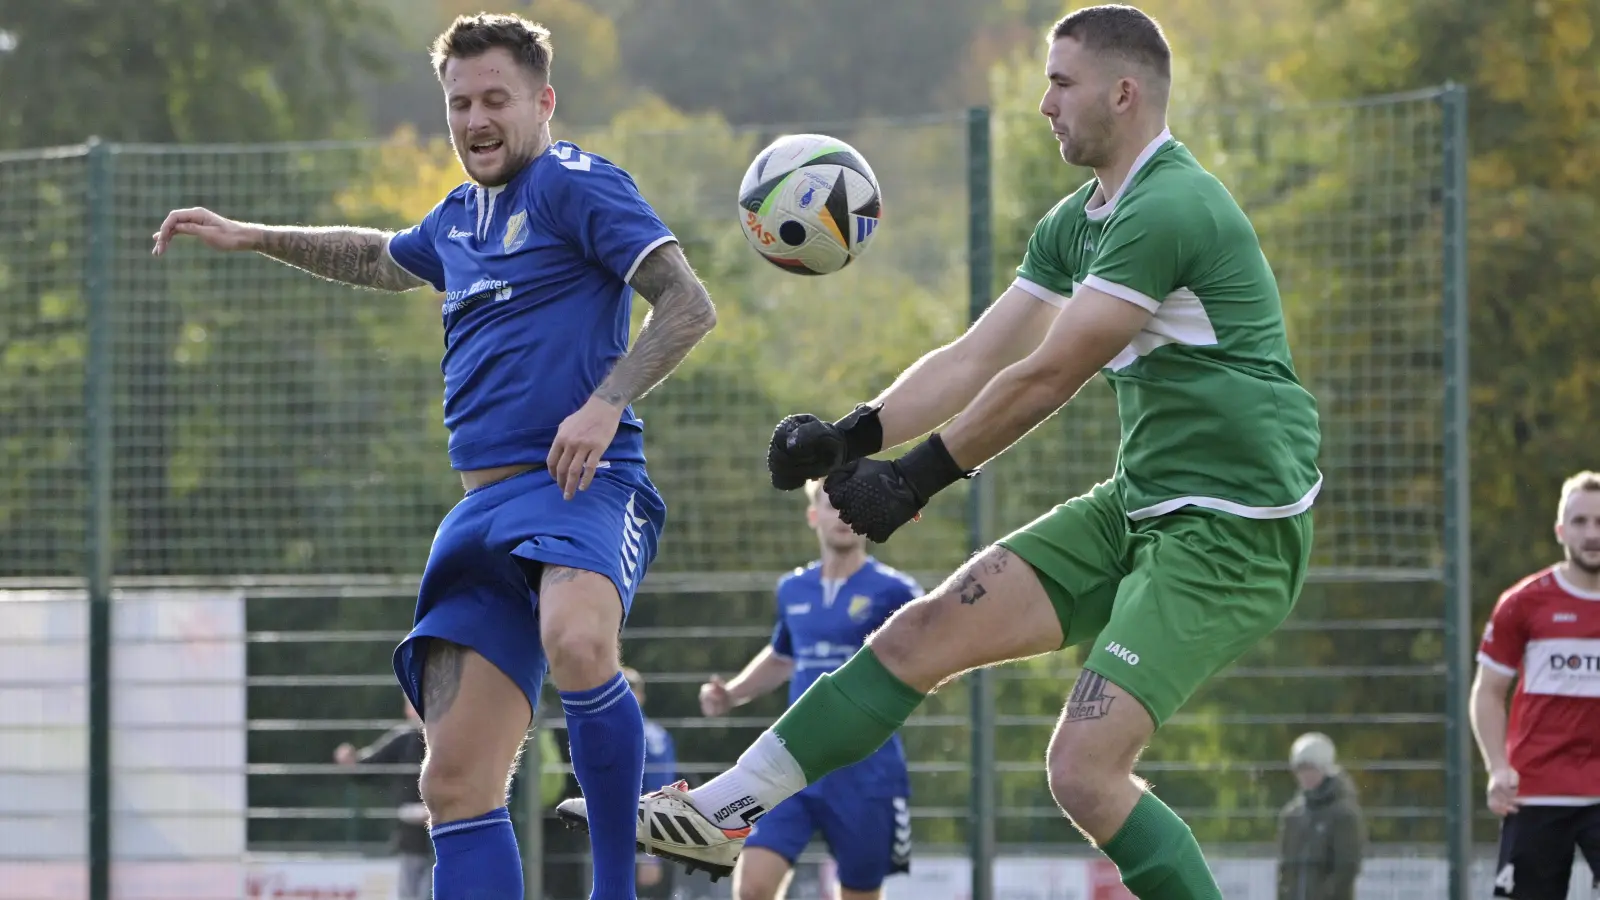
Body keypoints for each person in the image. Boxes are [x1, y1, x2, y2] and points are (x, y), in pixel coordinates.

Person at [562, 6, 1322, 898]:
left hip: (1232, 530)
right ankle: (722, 811)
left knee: (1083, 770)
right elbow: (975, 356)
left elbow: (1049, 376)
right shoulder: (1080, 222)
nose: (1044, 103)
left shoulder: (1169, 207)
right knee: (914, 636)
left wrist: (917, 477)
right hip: (1144, 501)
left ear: (1124, 91)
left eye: (1060, 81)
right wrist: (854, 434)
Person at [152, 13, 717, 899]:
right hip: (481, 514)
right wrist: (253, 235)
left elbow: (688, 304)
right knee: (451, 782)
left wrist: (607, 404)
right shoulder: (458, 214)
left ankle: (619, 888)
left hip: (580, 486)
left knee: (576, 642)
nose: (477, 119)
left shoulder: (575, 184)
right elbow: (380, 258)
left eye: (497, 99)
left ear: (544, 101)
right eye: (460, 104)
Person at [697, 480, 920, 900]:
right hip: (793, 762)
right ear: (813, 515)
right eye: (833, 505)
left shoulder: (896, 591)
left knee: (858, 893)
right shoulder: (792, 589)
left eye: (853, 505)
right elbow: (782, 656)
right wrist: (732, 693)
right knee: (753, 887)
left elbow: (932, 653)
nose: (843, 515)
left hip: (866, 772)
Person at [1471, 471, 1600, 900]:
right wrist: (1496, 768)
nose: (1592, 534)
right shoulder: (1524, 602)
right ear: (1560, 530)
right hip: (1538, 790)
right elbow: (1488, 691)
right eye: (1580, 522)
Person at [334, 698, 432, 900]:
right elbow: (368, 765)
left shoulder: (450, 739)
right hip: (412, 833)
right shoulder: (404, 738)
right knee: (412, 881)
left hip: (446, 828)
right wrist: (351, 762)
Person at [1275, 732, 1364, 900]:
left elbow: (1346, 869)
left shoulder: (1344, 814)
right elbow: (1285, 870)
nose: (1305, 775)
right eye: (1300, 769)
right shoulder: (1292, 815)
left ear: (1325, 768)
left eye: (1310, 768)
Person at [624, 666, 680, 898]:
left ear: (641, 695)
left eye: (629, 689)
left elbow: (659, 794)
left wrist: (650, 854)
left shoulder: (648, 736)